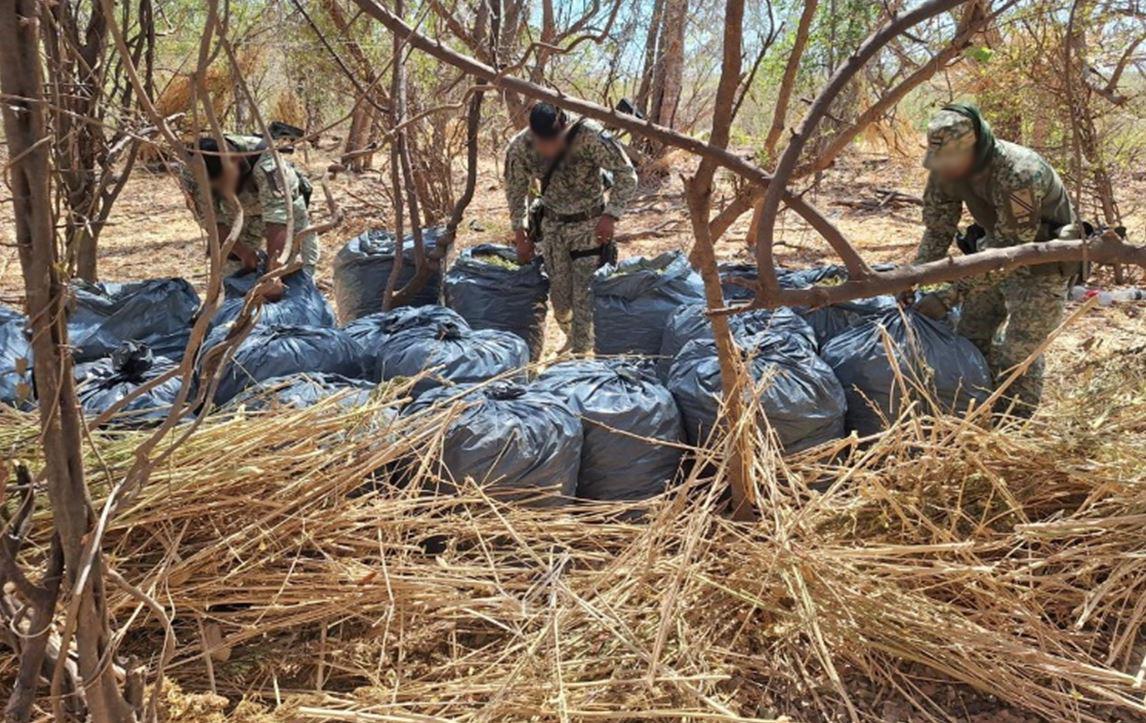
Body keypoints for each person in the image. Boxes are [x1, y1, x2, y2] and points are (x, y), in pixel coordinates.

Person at [908, 104, 1077, 417]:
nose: (942, 168)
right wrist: (916, 278)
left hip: (1043, 261)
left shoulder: (1019, 172)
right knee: (971, 335)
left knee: (1019, 355)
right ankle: (976, 409)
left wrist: (950, 294)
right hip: (992, 253)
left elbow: (1014, 246)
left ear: (973, 151)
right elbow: (938, 229)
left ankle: (1014, 425)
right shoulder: (946, 169)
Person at [503, 102, 638, 354]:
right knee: (561, 302)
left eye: (553, 141)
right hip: (553, 229)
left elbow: (627, 174)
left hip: (590, 228)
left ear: (564, 127)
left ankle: (582, 357)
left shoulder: (589, 135)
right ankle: (574, 337)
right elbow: (515, 191)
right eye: (541, 142)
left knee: (585, 299)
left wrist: (611, 215)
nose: (547, 148)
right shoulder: (521, 146)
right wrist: (520, 233)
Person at [182, 135, 319, 298]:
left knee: (299, 275)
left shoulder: (267, 163)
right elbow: (210, 220)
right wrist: (243, 252)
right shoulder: (192, 171)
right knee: (233, 276)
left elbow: (278, 219)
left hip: (286, 212)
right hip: (238, 215)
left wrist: (273, 274)